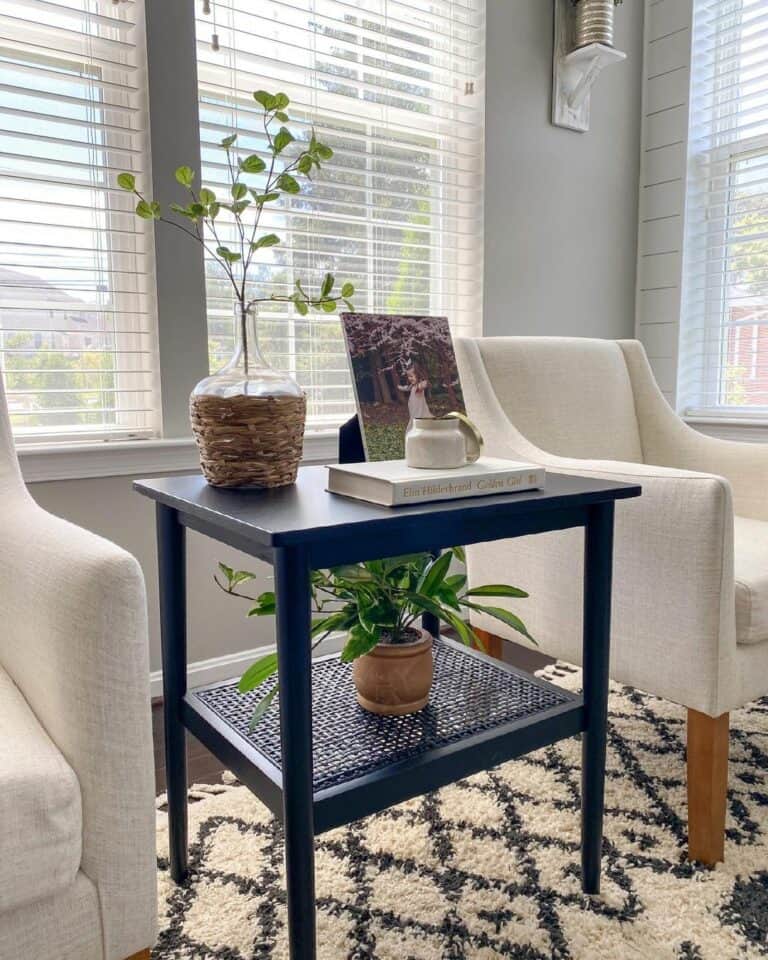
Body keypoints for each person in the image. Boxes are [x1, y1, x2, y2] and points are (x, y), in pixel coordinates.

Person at [398, 363, 433, 428]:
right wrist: (400, 387)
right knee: (414, 421)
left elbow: (423, 385)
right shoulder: (412, 385)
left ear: (418, 375)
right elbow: (407, 388)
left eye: (411, 376)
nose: (409, 378)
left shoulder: (418, 386)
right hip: (413, 410)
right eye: (408, 376)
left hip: (419, 411)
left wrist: (424, 384)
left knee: (419, 423)